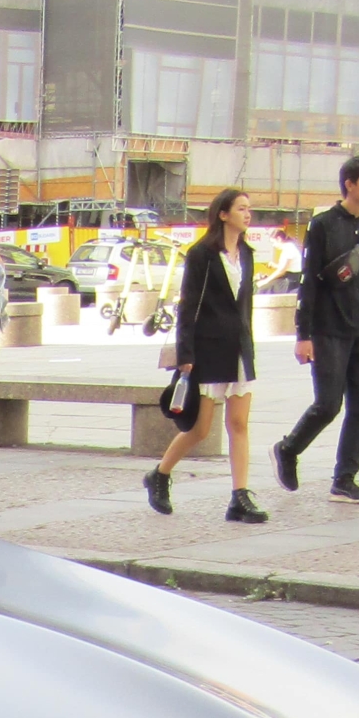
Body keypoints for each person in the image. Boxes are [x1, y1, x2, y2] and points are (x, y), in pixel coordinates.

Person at [271, 155, 359, 505]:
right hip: (328, 329)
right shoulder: (322, 225)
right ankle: (289, 449)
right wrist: (303, 335)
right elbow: (309, 282)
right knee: (327, 404)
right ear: (349, 184)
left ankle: (344, 479)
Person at [144, 188, 268, 524]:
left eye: (250, 208)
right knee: (200, 430)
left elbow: (246, 306)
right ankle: (160, 474)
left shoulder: (247, 253)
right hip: (208, 349)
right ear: (223, 214)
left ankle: (239, 496)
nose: (248, 213)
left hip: (239, 348)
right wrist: (186, 354)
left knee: (239, 424)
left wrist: (249, 344)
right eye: (241, 208)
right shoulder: (201, 254)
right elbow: (188, 306)